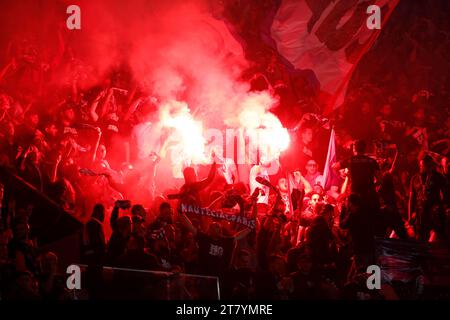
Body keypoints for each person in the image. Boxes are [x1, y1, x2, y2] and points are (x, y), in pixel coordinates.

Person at [179, 212, 252, 276]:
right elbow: (191, 227)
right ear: (210, 229)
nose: (220, 229)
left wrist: (250, 228)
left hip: (220, 276)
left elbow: (238, 236)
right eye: (217, 227)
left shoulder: (225, 241)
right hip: (205, 276)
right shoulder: (204, 238)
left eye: (220, 227)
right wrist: (181, 213)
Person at [333, 139, 381, 216]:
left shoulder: (350, 160)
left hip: (355, 195)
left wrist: (344, 175)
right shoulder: (372, 161)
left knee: (355, 217)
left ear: (354, 148)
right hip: (369, 195)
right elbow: (380, 180)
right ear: (364, 148)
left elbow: (335, 167)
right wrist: (372, 186)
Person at [408, 154, 448, 241]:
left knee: (442, 237)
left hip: (434, 212)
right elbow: (411, 198)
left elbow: (446, 193)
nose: (422, 167)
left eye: (425, 165)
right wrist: (410, 215)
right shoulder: (414, 178)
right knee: (420, 238)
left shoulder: (438, 177)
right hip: (420, 214)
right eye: (421, 165)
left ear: (430, 165)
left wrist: (443, 207)